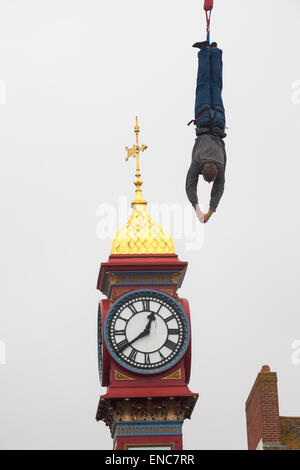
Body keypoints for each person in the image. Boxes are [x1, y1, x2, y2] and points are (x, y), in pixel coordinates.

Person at [186, 41, 227, 224]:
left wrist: (210, 210)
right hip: (203, 120)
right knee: (203, 85)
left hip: (218, 121)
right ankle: (205, 52)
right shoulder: (198, 162)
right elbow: (189, 185)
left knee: (216, 86)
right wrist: (199, 209)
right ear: (203, 170)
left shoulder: (221, 166)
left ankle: (215, 52)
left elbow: (219, 188)